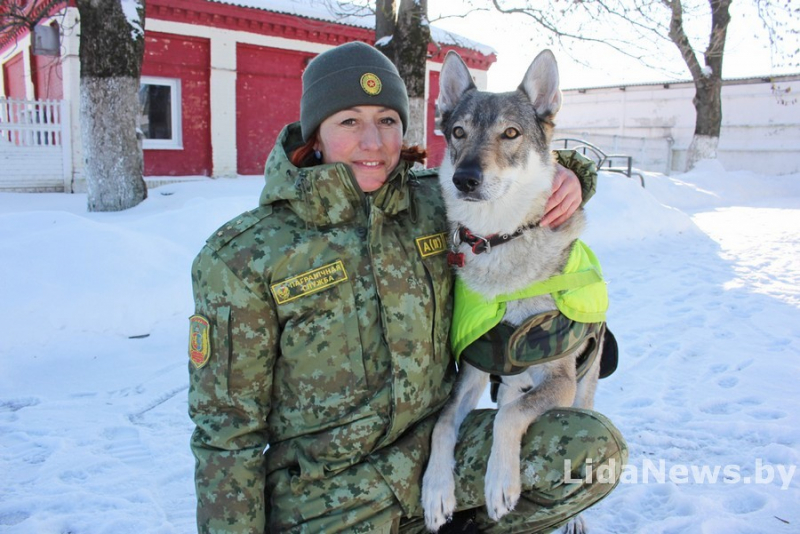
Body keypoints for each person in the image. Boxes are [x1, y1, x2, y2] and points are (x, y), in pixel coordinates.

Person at [188, 41, 626, 534]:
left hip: (436, 457)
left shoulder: (436, 203)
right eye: (349, 121)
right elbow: (226, 434)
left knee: (590, 448)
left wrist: (572, 177)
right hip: (326, 500)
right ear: (315, 132)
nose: (372, 141)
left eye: (388, 121)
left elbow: (514, 176)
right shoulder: (245, 256)